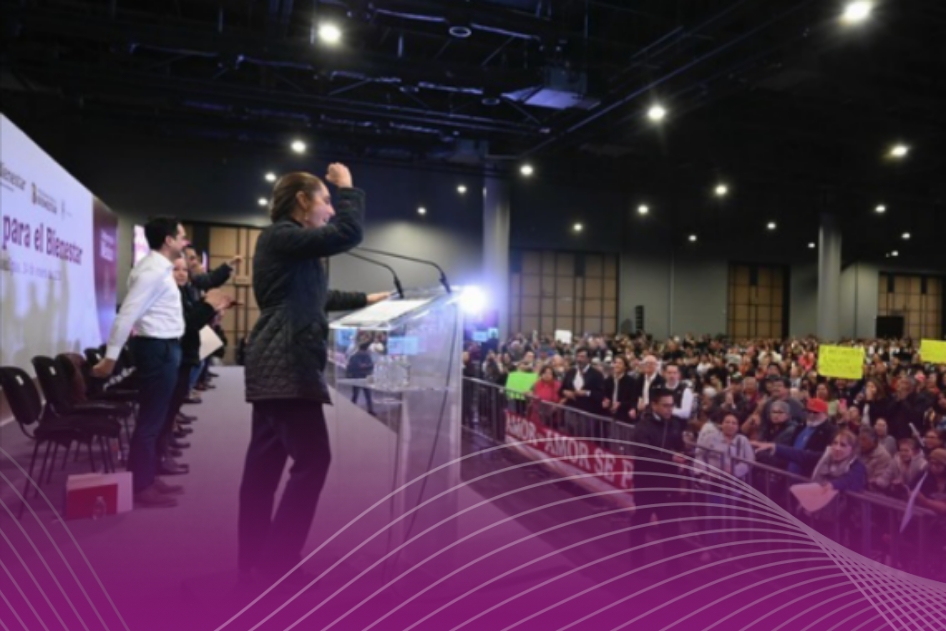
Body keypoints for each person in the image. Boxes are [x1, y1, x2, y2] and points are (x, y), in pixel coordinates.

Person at [238, 165, 389, 583]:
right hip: (288, 361)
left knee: (264, 468)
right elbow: (348, 234)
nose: (330, 208)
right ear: (302, 201)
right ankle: (278, 561)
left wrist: (369, 298)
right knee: (313, 459)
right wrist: (348, 189)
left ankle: (254, 560)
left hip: (274, 362)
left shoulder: (289, 245)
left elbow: (318, 296)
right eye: (325, 199)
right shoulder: (282, 235)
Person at [92, 217, 189, 507]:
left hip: (164, 347)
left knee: (155, 418)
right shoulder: (152, 272)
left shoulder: (160, 269)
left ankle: (148, 476)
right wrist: (111, 357)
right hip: (156, 348)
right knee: (149, 420)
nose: (185, 241)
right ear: (168, 240)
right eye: (181, 236)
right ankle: (141, 486)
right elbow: (126, 314)